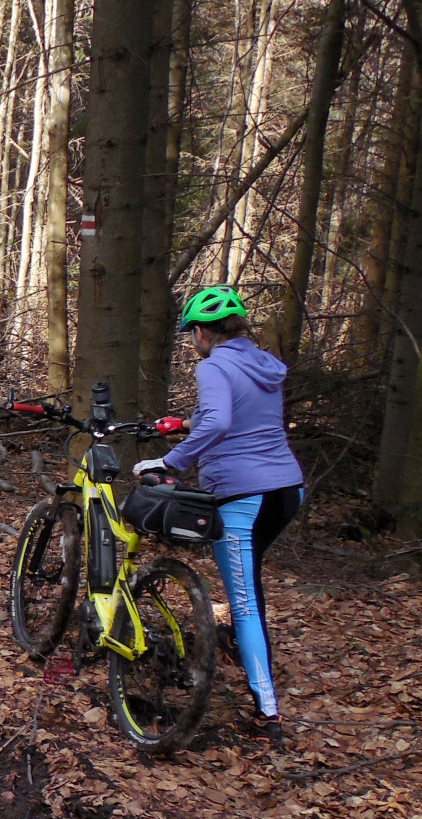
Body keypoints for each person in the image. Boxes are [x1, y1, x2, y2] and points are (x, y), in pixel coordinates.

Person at [133, 285, 305, 743]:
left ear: (203, 333)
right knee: (248, 583)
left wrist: (168, 461)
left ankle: (268, 716)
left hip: (242, 492)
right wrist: (183, 423)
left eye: (193, 333)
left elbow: (220, 422)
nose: (194, 341)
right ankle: (236, 643)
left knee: (243, 601)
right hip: (287, 490)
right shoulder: (263, 364)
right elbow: (244, 417)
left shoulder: (211, 366)